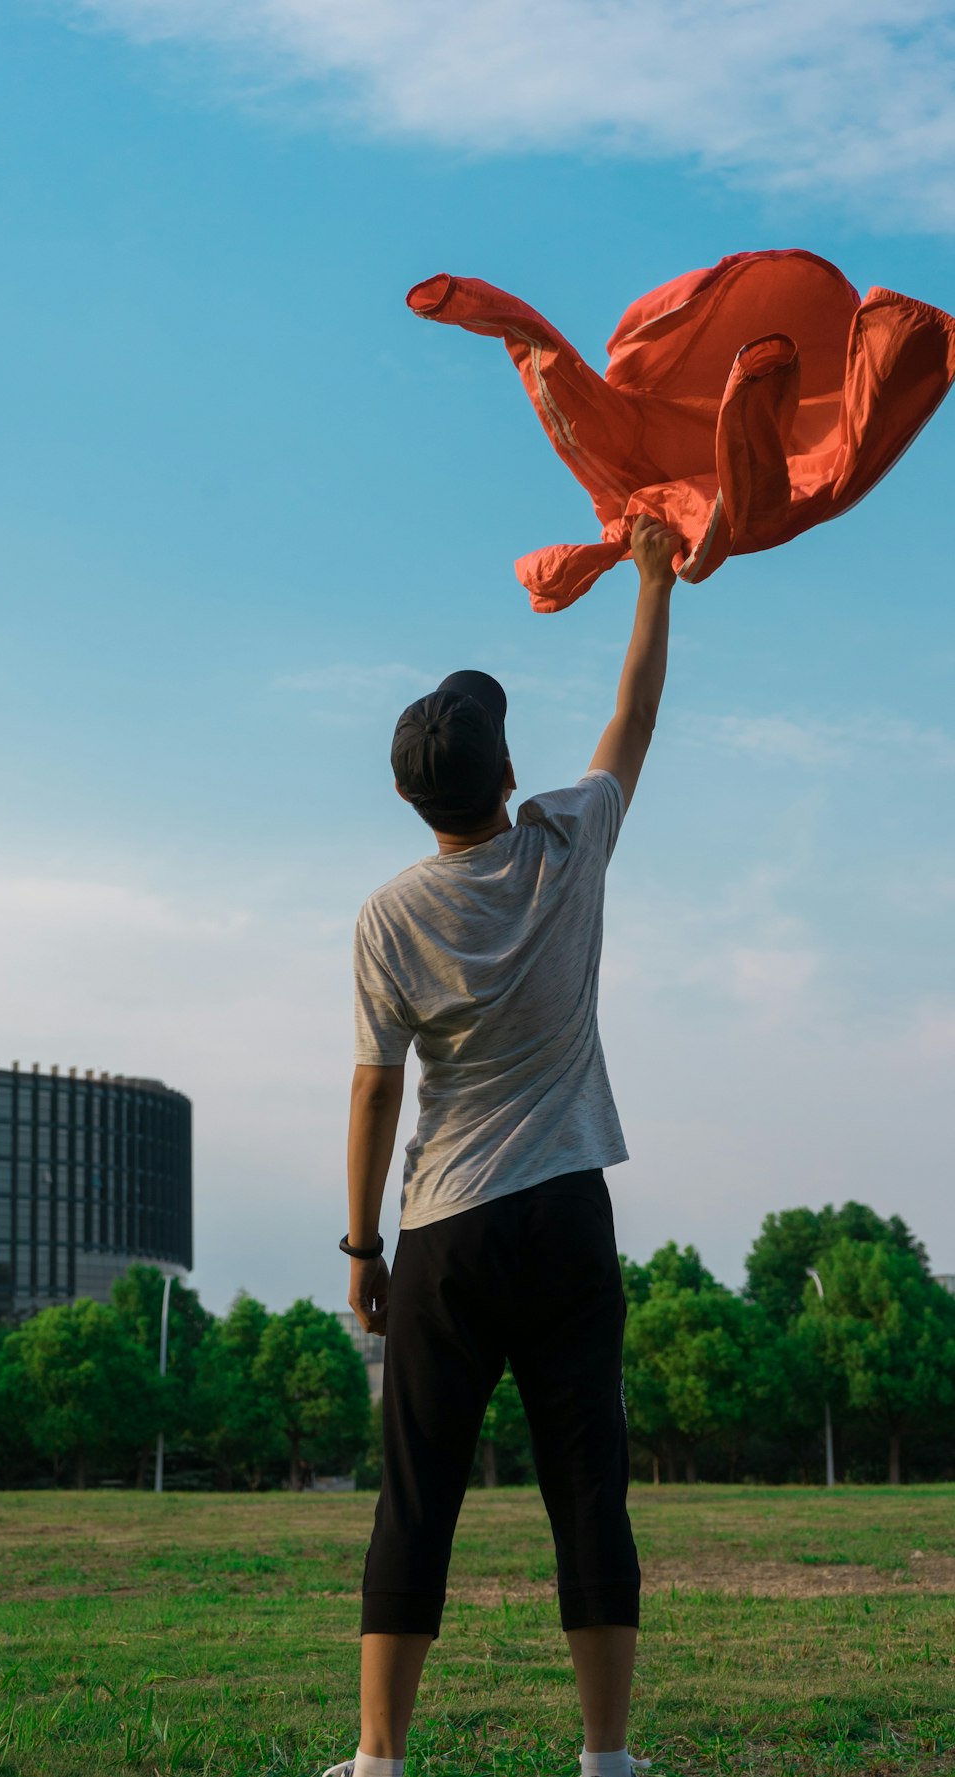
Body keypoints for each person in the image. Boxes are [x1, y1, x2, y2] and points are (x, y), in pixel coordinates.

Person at [323, 514, 680, 1777]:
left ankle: (378, 1758)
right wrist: (651, 583)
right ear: (503, 762)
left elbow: (375, 1093)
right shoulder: (567, 845)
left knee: (417, 1489)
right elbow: (631, 719)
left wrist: (363, 1244)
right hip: (566, 1211)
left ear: (412, 794)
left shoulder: (387, 915)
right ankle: (604, 1757)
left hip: (448, 1226)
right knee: (589, 1481)